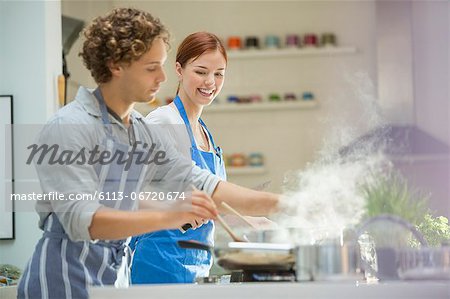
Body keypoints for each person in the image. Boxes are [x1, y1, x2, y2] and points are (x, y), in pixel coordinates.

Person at [130, 32, 277, 284]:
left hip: (196, 266)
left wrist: (251, 221)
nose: (210, 81)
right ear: (179, 69)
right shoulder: (163, 122)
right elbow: (131, 192)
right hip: (159, 263)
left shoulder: (204, 132)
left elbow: (211, 206)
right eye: (201, 72)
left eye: (219, 73)